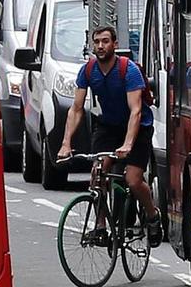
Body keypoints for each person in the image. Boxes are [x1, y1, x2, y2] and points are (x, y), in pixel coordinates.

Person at [58, 25, 162, 247]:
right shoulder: (88, 71)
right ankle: (101, 226)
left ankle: (153, 216)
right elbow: (76, 108)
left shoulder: (128, 70)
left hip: (138, 127)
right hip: (109, 126)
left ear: (115, 44)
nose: (100, 46)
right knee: (97, 175)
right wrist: (66, 143)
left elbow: (136, 110)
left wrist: (128, 144)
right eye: (96, 42)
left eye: (105, 41)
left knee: (133, 180)